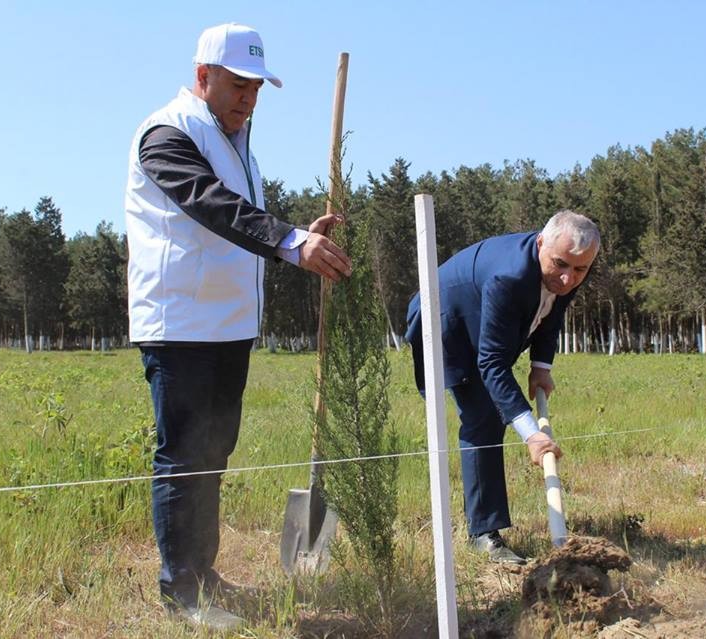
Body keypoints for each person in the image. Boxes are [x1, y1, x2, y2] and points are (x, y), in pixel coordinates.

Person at [124, 23, 351, 630]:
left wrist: (299, 233)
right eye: (237, 85)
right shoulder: (166, 133)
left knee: (213, 452)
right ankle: (182, 593)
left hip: (228, 325)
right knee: (183, 456)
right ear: (203, 77)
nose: (248, 99)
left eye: (256, 88)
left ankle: (204, 573)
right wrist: (287, 241)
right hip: (181, 324)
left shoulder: (236, 138)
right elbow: (209, 204)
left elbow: (239, 220)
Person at [405, 210, 599, 564]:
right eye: (560, 264)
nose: (569, 277)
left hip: (488, 318)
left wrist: (541, 366)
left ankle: (484, 525)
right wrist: (532, 435)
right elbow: (491, 363)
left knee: (493, 408)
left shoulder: (567, 269)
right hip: (446, 322)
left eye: (580, 270)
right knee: (483, 416)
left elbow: (553, 311)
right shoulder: (509, 276)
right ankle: (483, 533)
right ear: (541, 243)